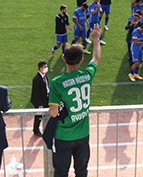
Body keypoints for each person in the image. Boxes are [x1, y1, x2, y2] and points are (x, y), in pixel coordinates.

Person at [48, 24, 102, 177]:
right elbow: (96, 59)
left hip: (63, 136)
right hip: (83, 134)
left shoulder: (57, 83)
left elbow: (53, 112)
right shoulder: (86, 76)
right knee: (81, 171)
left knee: (61, 172)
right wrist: (96, 40)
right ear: (81, 60)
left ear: (63, 59)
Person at [31, 61, 50, 137]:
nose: (46, 68)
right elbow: (36, 93)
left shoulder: (44, 76)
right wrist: (39, 104)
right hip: (40, 101)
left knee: (47, 114)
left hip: (46, 98)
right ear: (40, 68)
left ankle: (47, 128)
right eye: (44, 67)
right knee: (38, 116)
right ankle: (36, 130)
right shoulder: (36, 79)